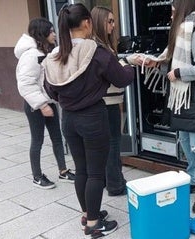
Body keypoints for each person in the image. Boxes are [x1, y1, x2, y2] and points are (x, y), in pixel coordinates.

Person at [42, 3, 134, 238]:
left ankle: (87, 212)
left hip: (68, 119)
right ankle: (93, 224)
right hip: (93, 117)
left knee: (81, 170)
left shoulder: (55, 55)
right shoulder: (97, 53)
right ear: (87, 22)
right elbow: (122, 79)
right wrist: (129, 65)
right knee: (96, 174)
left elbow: (50, 91)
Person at [144, 0, 195, 213]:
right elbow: (176, 58)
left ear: (182, 10)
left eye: (172, 10)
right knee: (187, 141)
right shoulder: (185, 31)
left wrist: (178, 73)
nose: (171, 15)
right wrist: (158, 63)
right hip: (188, 99)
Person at [14, 18, 75, 190]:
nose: (54, 34)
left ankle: (63, 171)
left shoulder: (44, 51)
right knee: (38, 140)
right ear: (42, 33)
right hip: (36, 106)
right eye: (51, 31)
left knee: (57, 138)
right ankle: (37, 176)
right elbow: (25, 84)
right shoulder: (31, 55)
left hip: (48, 102)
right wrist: (42, 105)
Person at [91, 6, 140, 197]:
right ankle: (115, 184)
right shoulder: (101, 47)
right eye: (109, 21)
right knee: (113, 144)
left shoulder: (96, 45)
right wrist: (128, 64)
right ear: (99, 22)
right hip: (108, 102)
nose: (113, 25)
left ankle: (110, 180)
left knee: (106, 144)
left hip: (103, 102)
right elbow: (117, 76)